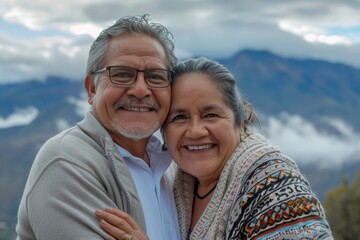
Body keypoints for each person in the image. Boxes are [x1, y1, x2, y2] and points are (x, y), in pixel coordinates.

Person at [96, 57, 334, 239]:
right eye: (179, 117)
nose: (196, 130)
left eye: (210, 115)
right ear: (164, 131)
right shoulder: (179, 185)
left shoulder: (275, 186)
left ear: (239, 120)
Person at [15, 14, 181, 240]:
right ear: (91, 89)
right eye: (122, 74)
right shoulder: (66, 162)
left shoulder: (174, 167)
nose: (141, 90)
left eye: (156, 76)